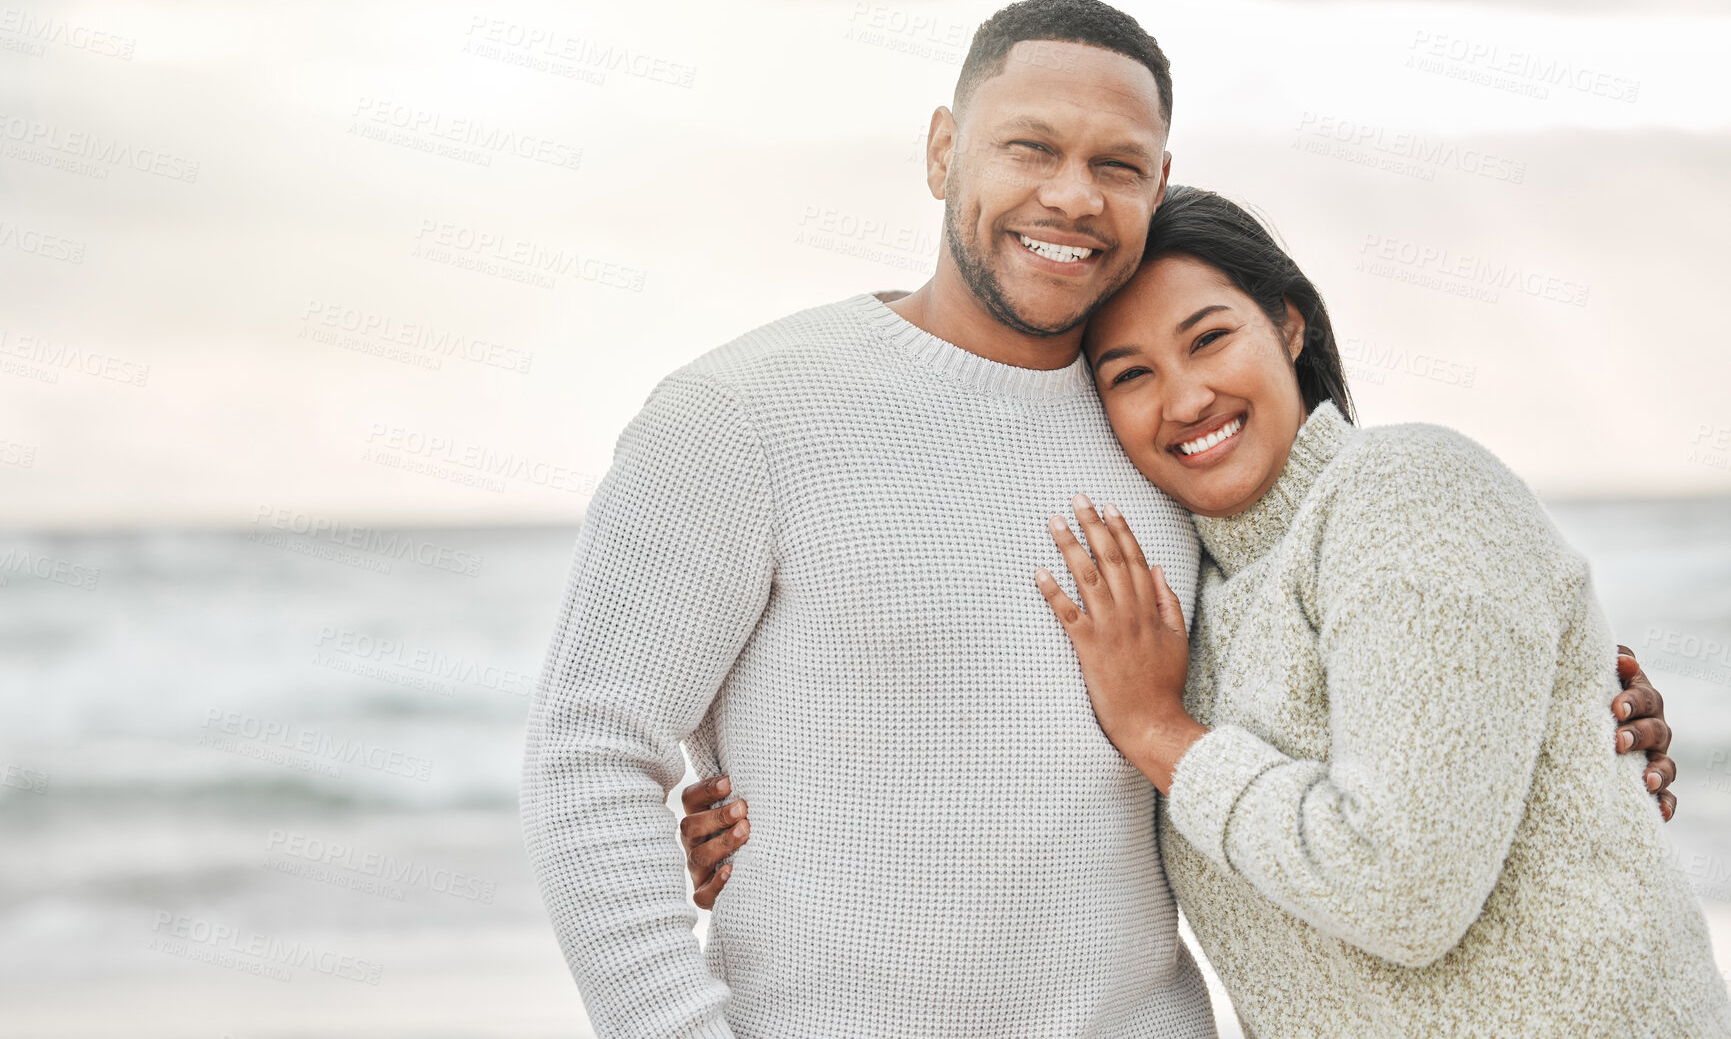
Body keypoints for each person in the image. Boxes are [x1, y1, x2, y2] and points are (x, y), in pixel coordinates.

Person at [529, 0, 1676, 1039]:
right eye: (1031, 147)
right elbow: (593, 748)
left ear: (1159, 181)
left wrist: (1568, 719)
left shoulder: (1157, 435)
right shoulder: (741, 415)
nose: (1072, 195)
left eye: (1118, 164)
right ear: (942, 151)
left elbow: (1317, 664)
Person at [692, 186, 1721, 1035]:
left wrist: (1159, 731)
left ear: (1287, 322)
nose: (1182, 400)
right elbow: (1027, 801)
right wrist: (767, 826)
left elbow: (1402, 891)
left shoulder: (1408, 487)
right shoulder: (1184, 607)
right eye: (1129, 374)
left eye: (1208, 338)